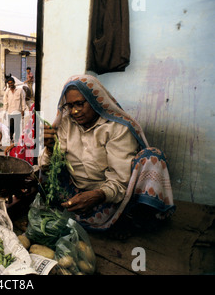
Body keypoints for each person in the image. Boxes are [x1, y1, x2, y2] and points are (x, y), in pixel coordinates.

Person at [40, 74, 175, 237]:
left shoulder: (116, 128)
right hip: (75, 192)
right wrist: (50, 149)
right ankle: (89, 218)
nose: (75, 111)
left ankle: (138, 218)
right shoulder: (65, 123)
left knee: (153, 157)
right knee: (43, 180)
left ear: (95, 100)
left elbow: (120, 181)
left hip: (108, 198)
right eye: (70, 106)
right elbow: (46, 167)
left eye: (80, 104)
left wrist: (98, 195)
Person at [3, 76, 27, 144]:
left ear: (14, 83)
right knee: (11, 127)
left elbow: (23, 100)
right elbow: (5, 102)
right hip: (10, 112)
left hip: (18, 112)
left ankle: (16, 140)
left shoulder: (20, 90)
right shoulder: (7, 91)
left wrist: (23, 110)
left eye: (11, 83)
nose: (10, 84)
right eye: (9, 83)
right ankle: (11, 138)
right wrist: (4, 111)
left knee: (17, 127)